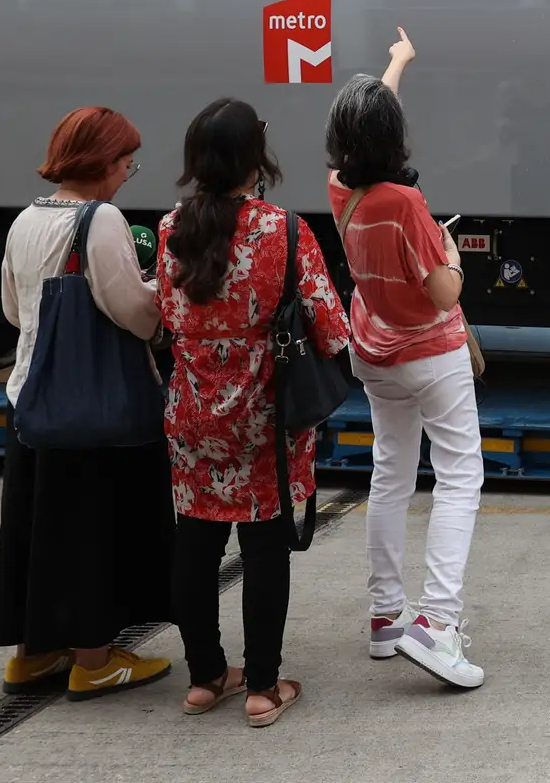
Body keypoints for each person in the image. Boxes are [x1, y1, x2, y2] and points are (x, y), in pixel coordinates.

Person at [157, 100, 351, 727]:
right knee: (265, 548)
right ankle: (264, 687)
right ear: (253, 158)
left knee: (196, 541)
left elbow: (167, 316)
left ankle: (204, 677)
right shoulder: (285, 231)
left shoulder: (169, 230)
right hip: (264, 415)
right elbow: (330, 328)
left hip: (191, 412)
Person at [0, 106, 176, 700]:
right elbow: (134, 313)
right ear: (100, 163)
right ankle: (95, 660)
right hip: (92, 412)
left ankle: (32, 654)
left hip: (31, 401)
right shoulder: (101, 221)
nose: (127, 173)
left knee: (38, 528)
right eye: (125, 162)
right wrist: (158, 297)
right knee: (94, 528)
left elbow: (14, 312)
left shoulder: (23, 220)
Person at [326, 28, 484, 689]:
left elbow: (370, 129)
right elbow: (442, 289)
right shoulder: (408, 204)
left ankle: (387, 617)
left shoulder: (342, 188)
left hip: (374, 350)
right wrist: (450, 257)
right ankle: (437, 626)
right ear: (398, 143)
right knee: (460, 475)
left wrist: (396, 63)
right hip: (429, 354)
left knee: (391, 472)